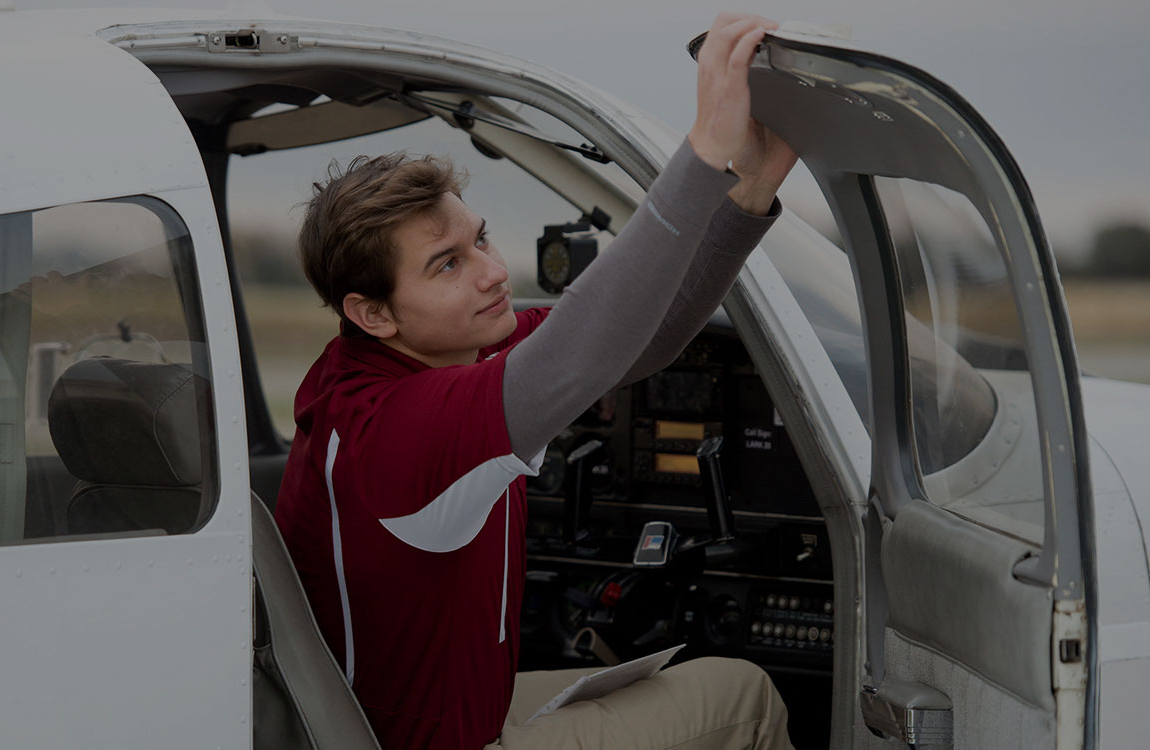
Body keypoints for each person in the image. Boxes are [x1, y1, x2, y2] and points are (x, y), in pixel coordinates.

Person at [275, 13, 797, 750]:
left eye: (478, 238)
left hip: (440, 714)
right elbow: (580, 349)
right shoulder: (396, 431)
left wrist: (750, 187)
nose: (493, 273)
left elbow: (632, 340)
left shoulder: (402, 361)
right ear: (372, 312)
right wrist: (704, 150)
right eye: (447, 265)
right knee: (744, 695)